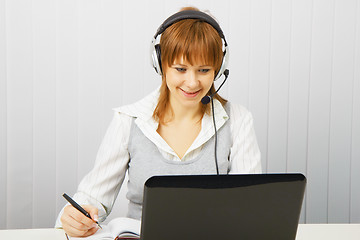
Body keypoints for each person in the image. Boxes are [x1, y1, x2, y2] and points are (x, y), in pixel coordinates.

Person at [55, 6, 262, 237]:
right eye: (181, 69)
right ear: (160, 63)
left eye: (204, 70)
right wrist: (76, 216)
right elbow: (92, 198)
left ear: (219, 68)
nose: (192, 83)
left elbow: (250, 206)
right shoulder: (129, 120)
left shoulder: (238, 120)